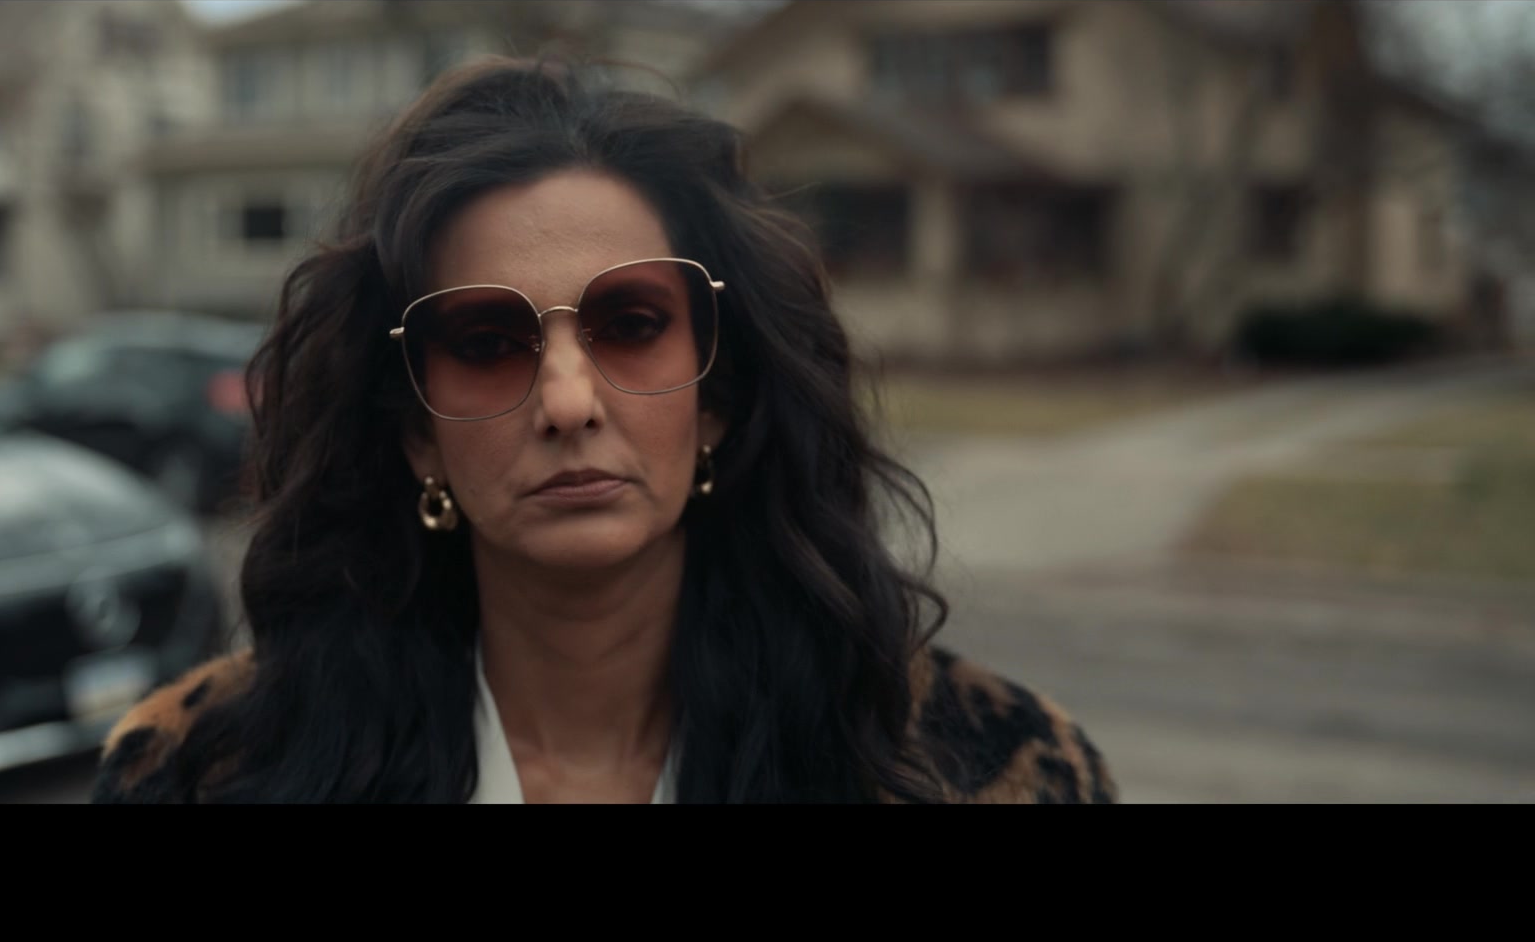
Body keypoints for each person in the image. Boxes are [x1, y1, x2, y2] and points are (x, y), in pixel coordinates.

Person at [91, 55, 1116, 804]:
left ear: (716, 394)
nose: (569, 402)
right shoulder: (207, 772)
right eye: (487, 341)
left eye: (630, 326)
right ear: (415, 431)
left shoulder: (981, 772)